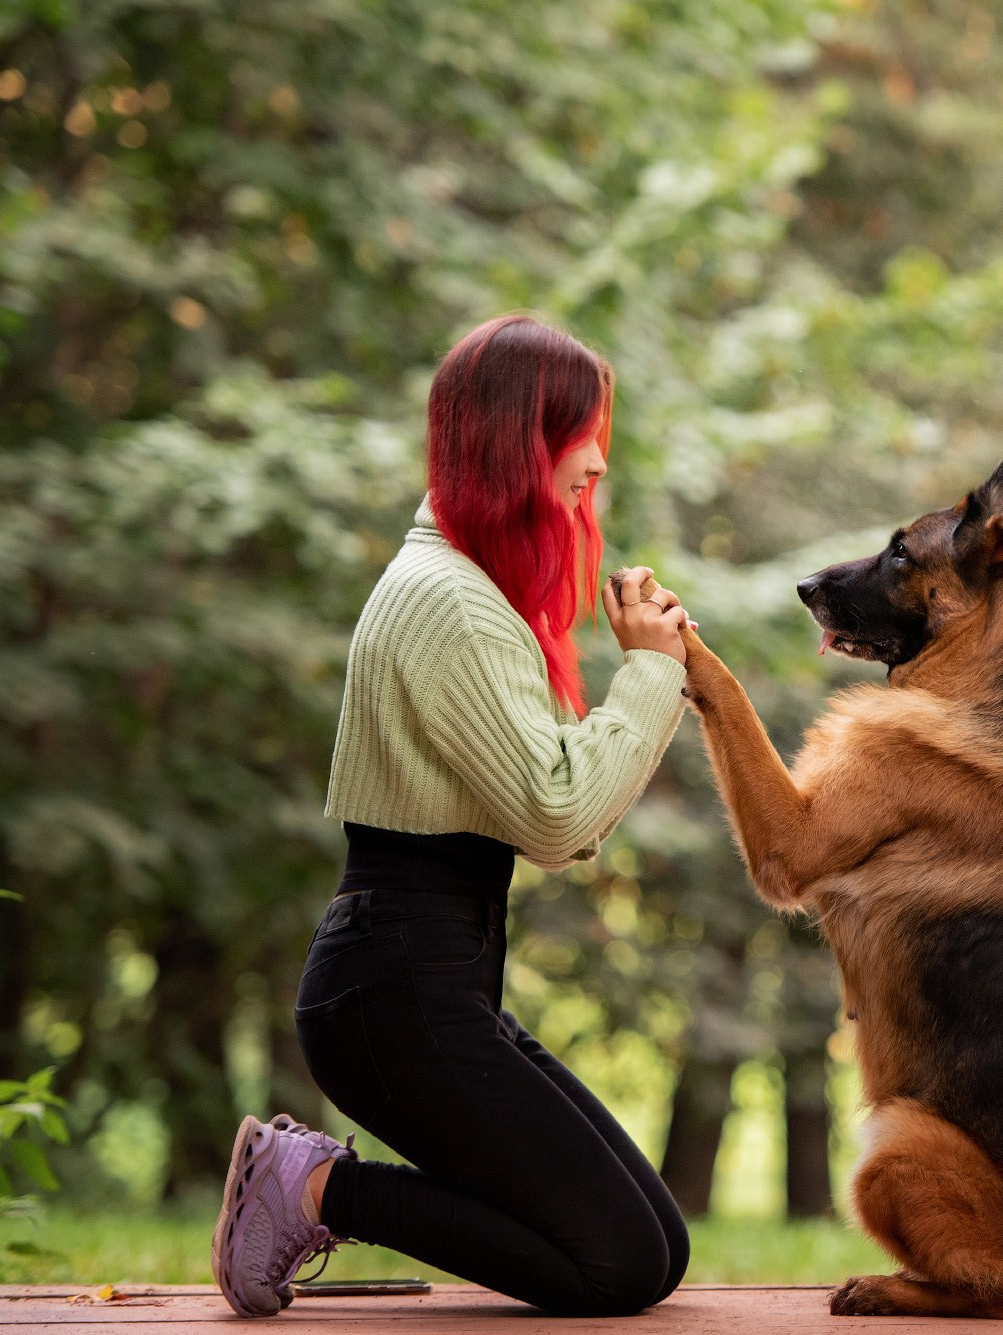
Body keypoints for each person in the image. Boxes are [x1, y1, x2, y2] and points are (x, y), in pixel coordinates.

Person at [211, 315, 694, 1319]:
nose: (597, 460)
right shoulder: (446, 605)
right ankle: (308, 1186)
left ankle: (311, 1182)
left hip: (425, 983)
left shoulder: (472, 595)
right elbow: (559, 818)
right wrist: (650, 673)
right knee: (615, 1267)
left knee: (656, 1246)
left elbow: (561, 800)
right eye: (579, 434)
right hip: (393, 993)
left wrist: (639, 679)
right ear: (518, 442)